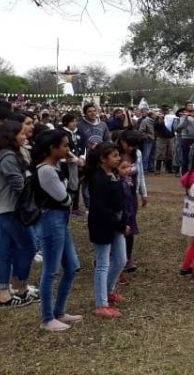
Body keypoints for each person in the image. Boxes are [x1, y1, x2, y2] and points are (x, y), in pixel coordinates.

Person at [30, 129, 81, 330]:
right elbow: (65, 198)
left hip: (61, 220)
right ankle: (47, 317)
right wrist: (68, 196)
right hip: (51, 220)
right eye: (65, 145)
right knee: (51, 270)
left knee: (71, 266)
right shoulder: (46, 171)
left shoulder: (58, 166)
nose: (68, 149)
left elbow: (73, 190)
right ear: (53, 148)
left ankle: (59, 311)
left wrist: (73, 165)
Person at [86, 142, 127, 319]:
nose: (119, 159)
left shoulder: (113, 175)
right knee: (102, 264)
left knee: (121, 259)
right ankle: (101, 304)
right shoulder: (98, 178)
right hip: (103, 225)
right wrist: (119, 224)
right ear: (103, 159)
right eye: (115, 156)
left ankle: (109, 291)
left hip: (115, 222)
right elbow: (101, 208)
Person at [0, 121, 38, 308]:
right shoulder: (8, 156)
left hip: (5, 209)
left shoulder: (7, 154)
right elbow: (17, 185)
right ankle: (19, 285)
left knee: (6, 252)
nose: (25, 137)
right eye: (21, 134)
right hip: (11, 210)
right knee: (29, 247)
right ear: (11, 135)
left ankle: (5, 292)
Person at [116, 130, 147, 277]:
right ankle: (113, 257)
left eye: (135, 146)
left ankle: (128, 257)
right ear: (122, 142)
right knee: (117, 225)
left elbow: (139, 173)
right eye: (130, 145)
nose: (132, 149)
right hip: (117, 195)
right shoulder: (113, 153)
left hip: (131, 195)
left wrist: (143, 193)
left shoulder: (138, 154)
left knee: (130, 226)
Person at [176, 102, 194, 174]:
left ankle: (193, 173)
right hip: (186, 138)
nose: (191, 107)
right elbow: (180, 127)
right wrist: (186, 118)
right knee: (185, 157)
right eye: (189, 106)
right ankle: (184, 174)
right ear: (186, 107)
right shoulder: (183, 116)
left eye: (191, 106)